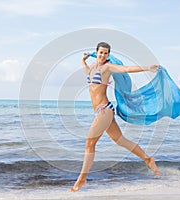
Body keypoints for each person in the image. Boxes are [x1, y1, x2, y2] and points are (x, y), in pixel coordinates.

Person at [70, 42, 160, 192]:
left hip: (104, 110)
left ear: (108, 55)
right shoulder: (93, 67)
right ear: (96, 52)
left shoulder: (107, 68)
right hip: (102, 111)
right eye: (101, 52)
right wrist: (83, 61)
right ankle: (148, 159)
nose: (103, 55)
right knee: (120, 140)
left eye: (106, 53)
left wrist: (147, 68)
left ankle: (82, 179)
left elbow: (126, 69)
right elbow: (89, 76)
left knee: (89, 144)